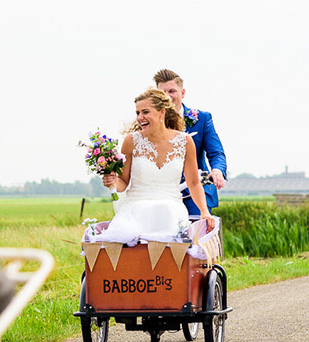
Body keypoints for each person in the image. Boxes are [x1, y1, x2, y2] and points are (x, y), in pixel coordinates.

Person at [97, 89, 215, 246]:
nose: (140, 117)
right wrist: (112, 181)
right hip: (135, 207)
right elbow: (123, 183)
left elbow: (193, 183)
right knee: (140, 216)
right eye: (138, 113)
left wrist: (204, 212)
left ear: (161, 112)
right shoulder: (131, 141)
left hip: (171, 206)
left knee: (166, 210)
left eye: (145, 112)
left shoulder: (185, 141)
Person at [154, 69, 227, 215]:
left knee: (197, 236)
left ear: (182, 93)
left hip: (195, 194)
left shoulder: (202, 119)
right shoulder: (151, 121)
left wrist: (217, 170)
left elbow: (216, 152)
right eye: (163, 93)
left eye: (172, 91)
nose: (167, 96)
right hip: (161, 195)